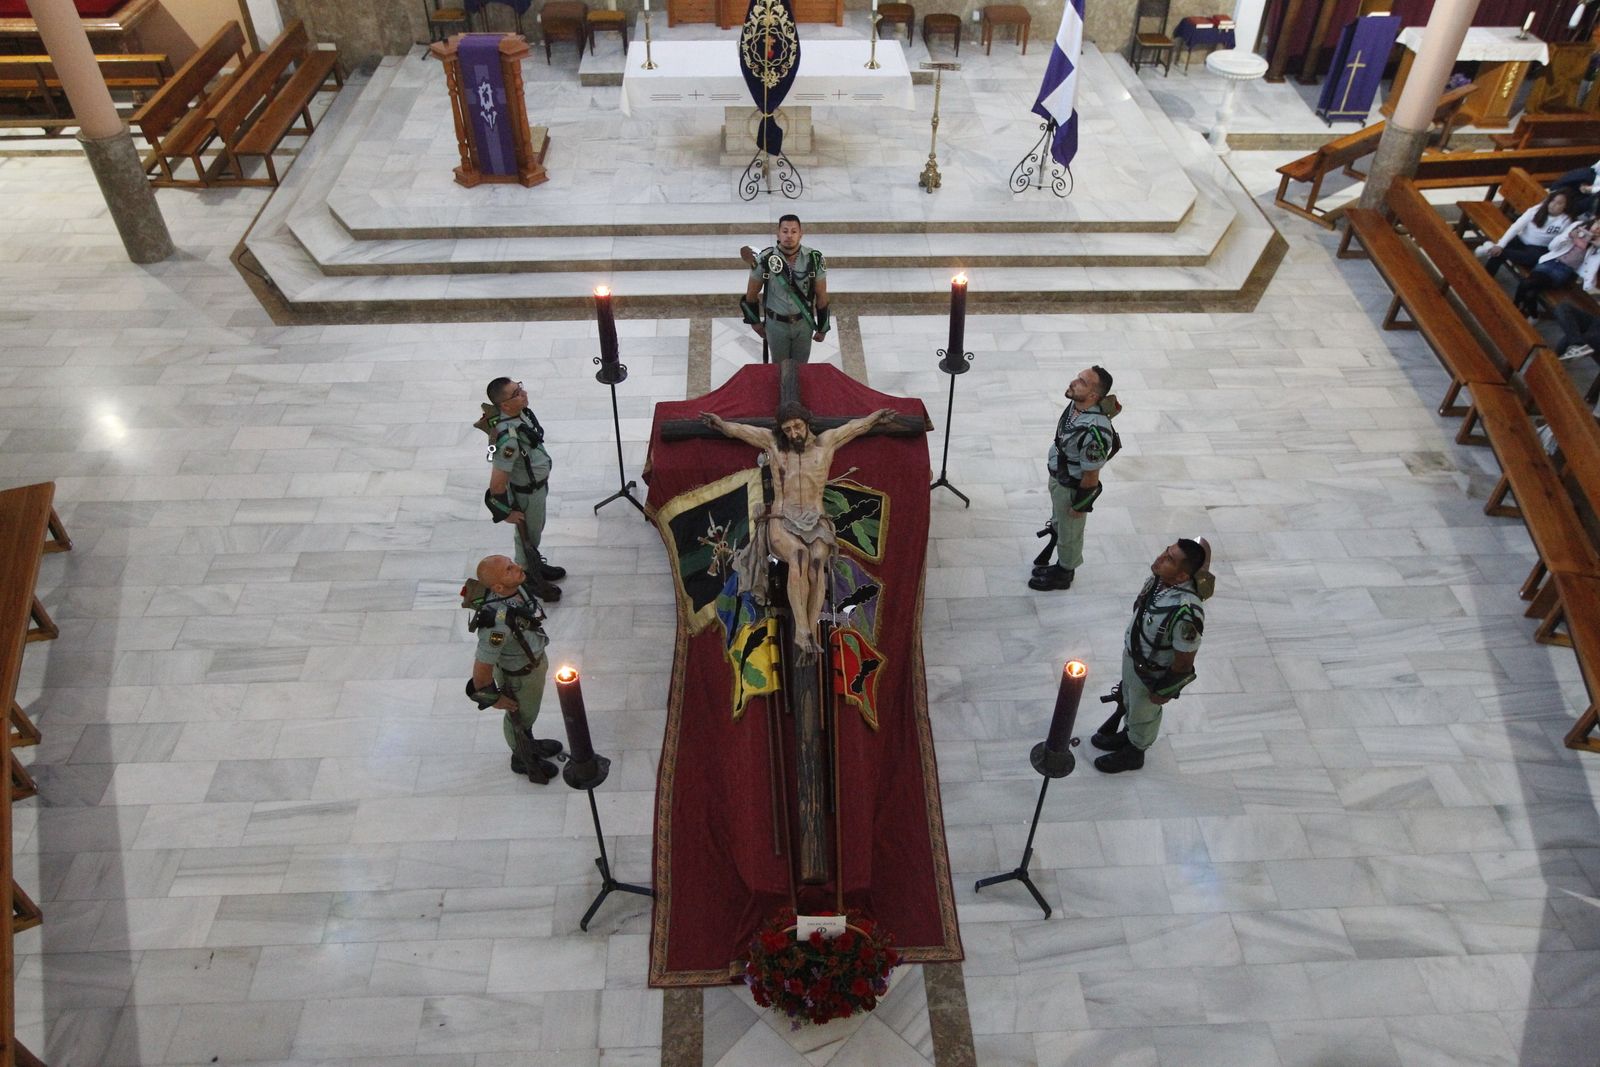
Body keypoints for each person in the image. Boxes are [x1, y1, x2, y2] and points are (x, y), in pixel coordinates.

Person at [700, 402, 897, 652]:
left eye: (797, 426)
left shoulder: (826, 443)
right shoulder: (773, 443)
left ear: (807, 423)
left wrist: (875, 418)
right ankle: (801, 632)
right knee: (799, 556)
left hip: (816, 519)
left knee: (816, 563)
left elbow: (854, 428)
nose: (793, 433)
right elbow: (741, 430)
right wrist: (722, 424)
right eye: (788, 429)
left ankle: (811, 630)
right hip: (782, 518)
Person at [1091, 539, 1212, 774]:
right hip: (1133, 657)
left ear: (1181, 577)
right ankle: (1128, 735)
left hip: (1151, 672)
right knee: (1129, 700)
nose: (1159, 558)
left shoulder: (1186, 613)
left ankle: (1135, 751)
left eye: (1169, 559)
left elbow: (1185, 661)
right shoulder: (1158, 581)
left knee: (1144, 712)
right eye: (1165, 552)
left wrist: (1164, 690)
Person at [466, 554, 563, 784]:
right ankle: (522, 757)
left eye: (513, 563)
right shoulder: (497, 625)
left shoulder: (516, 588)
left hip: (532, 663)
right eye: (510, 568)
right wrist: (494, 698)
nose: (518, 567)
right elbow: (482, 666)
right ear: (498, 586)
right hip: (519, 676)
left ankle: (529, 742)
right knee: (520, 717)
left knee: (528, 715)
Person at [1030, 366, 1119, 592]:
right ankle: (1059, 560)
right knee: (1060, 523)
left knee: (1070, 533)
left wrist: (1080, 505)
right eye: (1078, 377)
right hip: (1059, 476)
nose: (1073, 382)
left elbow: (1091, 473)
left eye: (1082, 382)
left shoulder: (1095, 432)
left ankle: (1064, 572)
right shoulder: (1077, 405)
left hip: (1072, 486)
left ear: (1092, 396)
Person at [480, 376, 564, 602]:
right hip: (526, 493)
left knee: (535, 532)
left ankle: (533, 564)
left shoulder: (521, 414)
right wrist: (505, 512)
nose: (523, 394)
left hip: (536, 487)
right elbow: (497, 482)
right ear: (505, 405)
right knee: (528, 535)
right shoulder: (507, 440)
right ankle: (526, 576)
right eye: (516, 393)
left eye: (520, 388)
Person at [739, 214, 830, 363]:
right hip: (776, 326)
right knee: (779, 368)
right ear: (778, 233)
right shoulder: (765, 259)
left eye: (794, 231)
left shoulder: (814, 259)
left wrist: (823, 327)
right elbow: (751, 293)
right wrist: (754, 322)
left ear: (801, 234)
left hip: (803, 324)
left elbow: (821, 295)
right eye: (785, 231)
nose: (789, 235)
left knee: (801, 368)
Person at [1512, 220, 1600, 317]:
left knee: (1527, 284)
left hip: (1563, 271)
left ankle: (1515, 308)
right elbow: (1552, 246)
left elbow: (1592, 266)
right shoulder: (1579, 226)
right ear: (1595, 221)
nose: (1597, 229)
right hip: (1549, 262)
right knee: (1530, 293)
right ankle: (1531, 315)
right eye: (1598, 224)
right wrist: (1569, 236)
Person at [1479, 189, 1576, 277]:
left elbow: (1561, 240)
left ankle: (1489, 249)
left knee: (1524, 257)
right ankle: (1486, 277)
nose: (1553, 205)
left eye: (1559, 203)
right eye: (1552, 201)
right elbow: (1516, 227)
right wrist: (1500, 245)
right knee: (1499, 252)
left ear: (1565, 206)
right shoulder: (1536, 210)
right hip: (1521, 240)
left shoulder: (1565, 221)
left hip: (1538, 249)